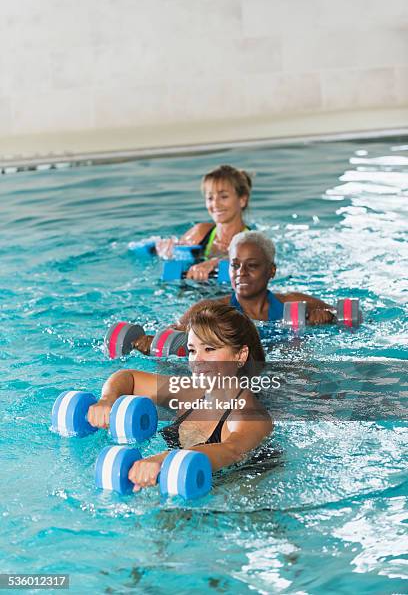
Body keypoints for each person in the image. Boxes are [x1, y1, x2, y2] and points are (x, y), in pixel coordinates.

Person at [89, 303, 272, 492]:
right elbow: (129, 377)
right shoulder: (189, 392)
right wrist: (107, 399)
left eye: (209, 349)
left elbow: (233, 450)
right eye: (192, 350)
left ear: (240, 355)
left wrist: (165, 458)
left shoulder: (250, 414)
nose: (197, 361)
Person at [133, 231, 335, 354]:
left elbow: (353, 317)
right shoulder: (209, 310)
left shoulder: (293, 303)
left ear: (271, 271)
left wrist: (328, 318)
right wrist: (148, 341)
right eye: (235, 265)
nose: (241, 273)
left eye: (252, 265)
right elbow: (174, 332)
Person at [155, 165, 252, 280]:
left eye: (224, 197)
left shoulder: (252, 241)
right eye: (210, 198)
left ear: (242, 200)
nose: (215, 204)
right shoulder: (200, 233)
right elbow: (176, 251)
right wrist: (166, 251)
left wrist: (215, 262)